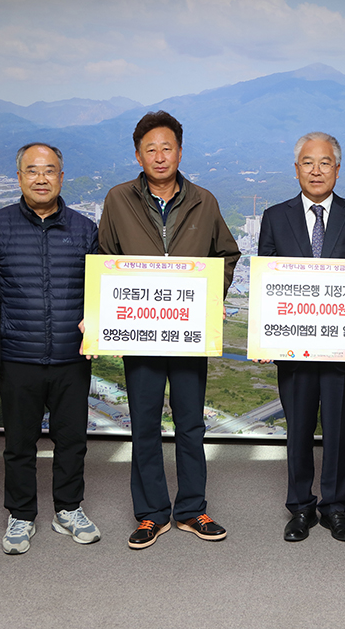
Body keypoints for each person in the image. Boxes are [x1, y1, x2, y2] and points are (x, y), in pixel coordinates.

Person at [99, 110, 241, 548]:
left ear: (180, 151)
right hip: (140, 333)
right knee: (142, 423)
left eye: (167, 147)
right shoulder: (118, 200)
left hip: (187, 332)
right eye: (150, 150)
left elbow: (227, 255)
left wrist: (208, 299)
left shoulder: (204, 200)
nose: (160, 156)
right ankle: (151, 514)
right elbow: (105, 261)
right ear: (138, 155)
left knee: (190, 424)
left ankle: (192, 510)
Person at [257, 132, 345, 542]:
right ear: (296, 169)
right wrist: (262, 337)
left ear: (338, 170)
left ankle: (335, 507)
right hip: (293, 350)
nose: (316, 170)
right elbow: (267, 285)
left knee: (339, 431)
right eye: (308, 162)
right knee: (298, 432)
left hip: (342, 349)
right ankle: (300, 508)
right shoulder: (275, 217)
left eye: (325, 162)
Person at [0, 143, 101, 555]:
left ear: (61, 177)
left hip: (72, 356)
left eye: (49, 170)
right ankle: (21, 514)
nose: (40, 178)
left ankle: (68, 509)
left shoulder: (86, 229)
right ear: (19, 178)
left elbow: (101, 291)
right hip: (18, 356)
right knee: (19, 443)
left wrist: (101, 328)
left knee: (73, 440)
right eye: (32, 171)